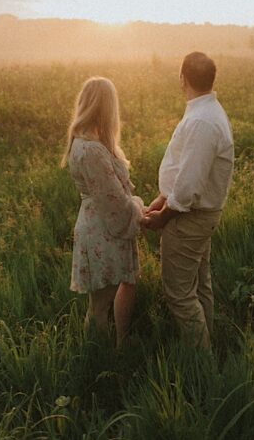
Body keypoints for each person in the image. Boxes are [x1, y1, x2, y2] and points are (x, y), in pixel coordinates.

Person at [143, 52, 234, 350]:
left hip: (189, 218)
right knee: (200, 286)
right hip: (196, 214)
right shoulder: (206, 112)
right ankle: (210, 348)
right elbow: (183, 173)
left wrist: (164, 216)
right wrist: (160, 200)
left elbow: (189, 185)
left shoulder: (202, 121)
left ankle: (202, 365)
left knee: (180, 295)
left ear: (182, 79)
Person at [63, 77, 145, 347]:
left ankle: (103, 354)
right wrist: (138, 208)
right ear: (105, 107)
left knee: (99, 305)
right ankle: (99, 360)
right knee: (99, 308)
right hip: (102, 230)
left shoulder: (86, 143)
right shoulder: (92, 151)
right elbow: (112, 200)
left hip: (98, 225)